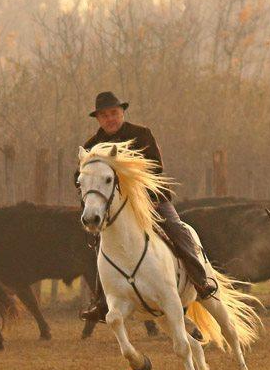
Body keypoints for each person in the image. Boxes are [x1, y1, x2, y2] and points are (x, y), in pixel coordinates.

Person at [78, 91, 216, 323]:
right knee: (100, 246)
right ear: (98, 119)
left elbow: (156, 168)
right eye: (104, 116)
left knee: (177, 228)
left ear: (122, 112)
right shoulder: (91, 146)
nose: (110, 118)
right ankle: (102, 303)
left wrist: (136, 193)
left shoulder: (141, 135)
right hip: (113, 211)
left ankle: (200, 280)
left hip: (152, 200)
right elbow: (80, 177)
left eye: (114, 113)